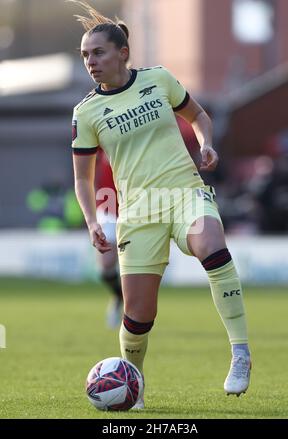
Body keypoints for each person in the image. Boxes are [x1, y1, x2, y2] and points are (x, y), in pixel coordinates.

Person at [70, 1, 252, 409]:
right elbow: (82, 179)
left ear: (123, 53)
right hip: (137, 211)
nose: (90, 62)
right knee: (138, 315)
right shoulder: (86, 112)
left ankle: (241, 352)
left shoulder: (159, 80)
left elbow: (199, 115)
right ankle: (133, 384)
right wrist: (90, 222)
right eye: (85, 55)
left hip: (183, 192)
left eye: (98, 52)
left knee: (212, 247)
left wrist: (206, 144)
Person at [95, 148, 123, 328]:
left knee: (137, 268)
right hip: (108, 209)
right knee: (106, 264)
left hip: (139, 209)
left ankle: (133, 313)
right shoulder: (100, 129)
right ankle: (118, 296)